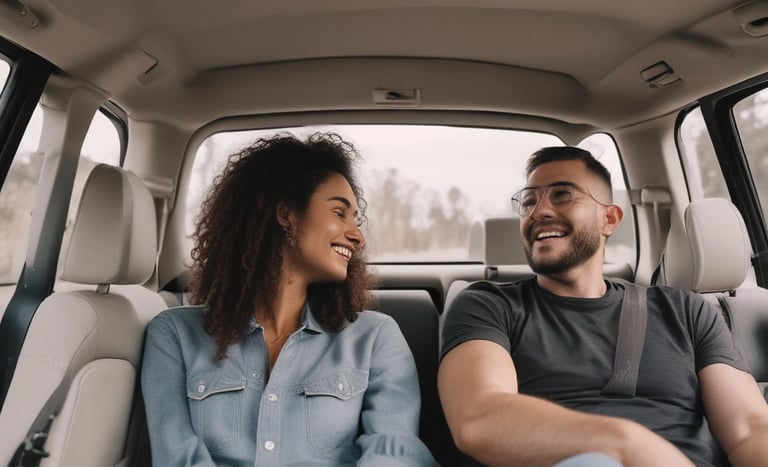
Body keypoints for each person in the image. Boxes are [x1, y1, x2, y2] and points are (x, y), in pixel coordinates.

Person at [438, 146, 768, 467]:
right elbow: (480, 419)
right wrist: (627, 444)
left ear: (609, 219)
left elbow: (750, 430)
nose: (538, 212)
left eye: (562, 195)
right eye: (528, 202)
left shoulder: (686, 311)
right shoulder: (487, 305)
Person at [141, 132, 438, 466]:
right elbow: (177, 457)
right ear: (287, 215)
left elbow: (391, 454)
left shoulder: (375, 338)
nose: (357, 234)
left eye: (356, 218)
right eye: (339, 213)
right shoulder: (174, 335)